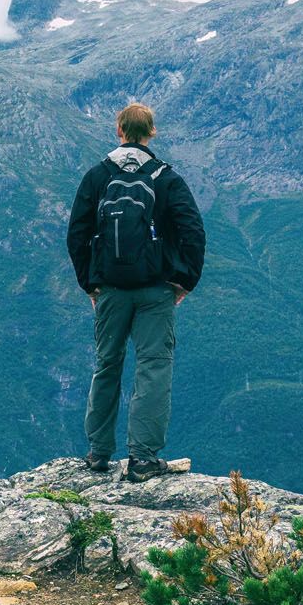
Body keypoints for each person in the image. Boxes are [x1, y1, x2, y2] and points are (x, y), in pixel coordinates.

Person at [65, 102, 206, 481]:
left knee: (107, 363)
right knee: (153, 366)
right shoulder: (165, 178)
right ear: (151, 132)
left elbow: (76, 233)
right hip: (156, 290)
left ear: (119, 131)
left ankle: (98, 453)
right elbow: (193, 230)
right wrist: (184, 280)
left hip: (110, 289)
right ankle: (143, 458)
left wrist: (90, 283)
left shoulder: (97, 176)